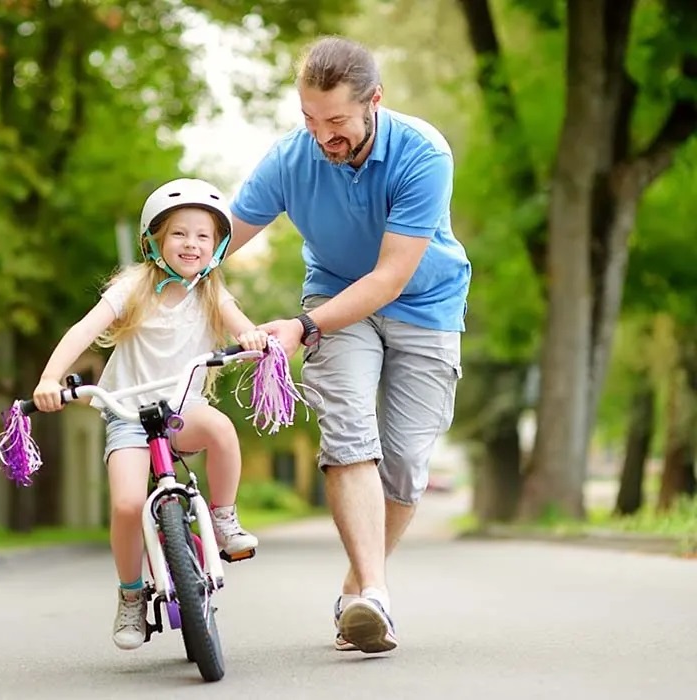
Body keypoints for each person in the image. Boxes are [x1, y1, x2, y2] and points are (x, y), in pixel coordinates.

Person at [227, 36, 471, 654]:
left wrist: (300, 330)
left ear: (374, 103)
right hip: (336, 305)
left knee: (408, 462)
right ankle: (374, 598)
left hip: (424, 305)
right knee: (349, 435)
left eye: (336, 121)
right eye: (309, 118)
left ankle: (358, 587)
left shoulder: (422, 153)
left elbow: (391, 277)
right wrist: (161, 267)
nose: (321, 136)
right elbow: (219, 237)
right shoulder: (291, 159)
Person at [32, 178, 268, 651]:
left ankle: (223, 518)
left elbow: (244, 328)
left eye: (204, 236)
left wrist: (253, 339)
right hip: (128, 414)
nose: (192, 244)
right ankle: (131, 594)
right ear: (155, 240)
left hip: (183, 410)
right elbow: (83, 330)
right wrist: (50, 378)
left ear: (218, 245)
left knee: (221, 429)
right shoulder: (134, 286)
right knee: (124, 505)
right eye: (180, 233)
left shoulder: (210, 292)